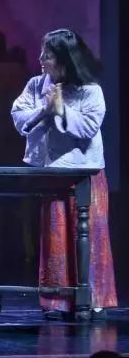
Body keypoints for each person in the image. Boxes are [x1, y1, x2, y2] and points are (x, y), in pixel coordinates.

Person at [10, 28, 117, 320]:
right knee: (56, 237)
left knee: (89, 236)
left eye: (48, 55)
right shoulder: (36, 85)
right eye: (42, 53)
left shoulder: (90, 90)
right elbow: (19, 117)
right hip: (53, 173)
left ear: (65, 60)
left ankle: (92, 299)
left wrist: (62, 111)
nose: (41, 59)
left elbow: (88, 127)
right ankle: (56, 302)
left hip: (85, 175)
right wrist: (46, 110)